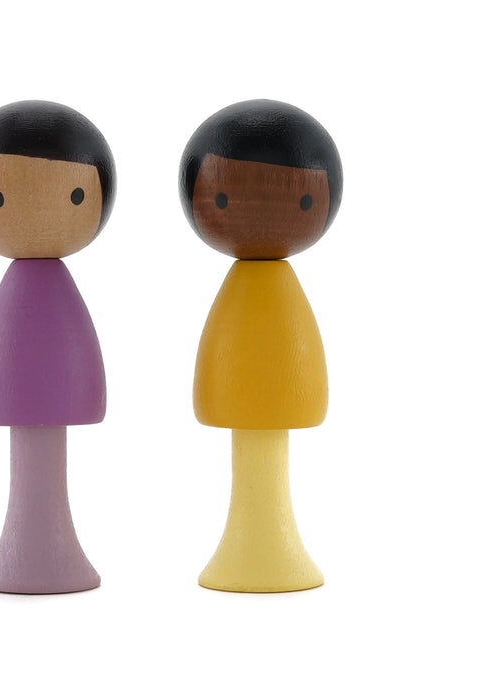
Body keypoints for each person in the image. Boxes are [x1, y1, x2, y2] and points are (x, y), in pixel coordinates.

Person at [179, 99, 343, 591]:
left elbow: (296, 379)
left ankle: (269, 550)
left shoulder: (276, 293)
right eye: (223, 197)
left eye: (302, 199)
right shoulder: (248, 293)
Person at [0, 100, 116, 593]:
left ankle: (42, 552)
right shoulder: (22, 296)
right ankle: (32, 552)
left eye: (73, 195)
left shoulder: (51, 295)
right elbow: (2, 375)